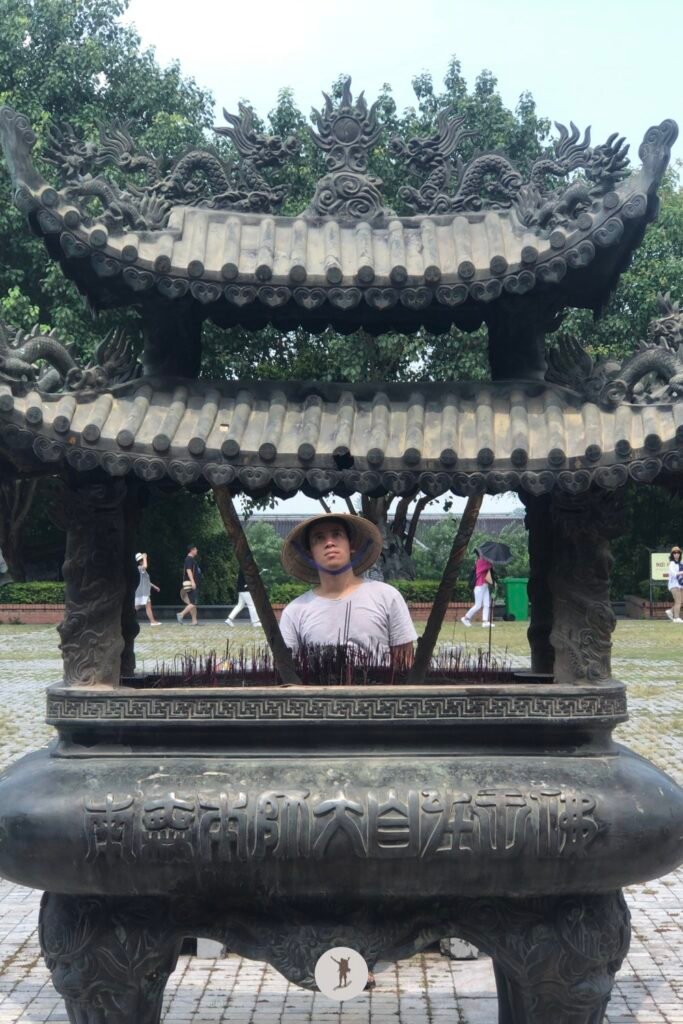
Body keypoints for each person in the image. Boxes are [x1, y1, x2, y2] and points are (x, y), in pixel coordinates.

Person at [278, 513, 416, 669]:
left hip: (378, 691)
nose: (329, 543)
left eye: (337, 535)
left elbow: (405, 666)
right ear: (310, 552)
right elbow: (289, 673)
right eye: (319, 538)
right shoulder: (295, 612)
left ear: (351, 546)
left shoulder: (387, 597)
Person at [461, 548, 495, 628]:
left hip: (485, 585)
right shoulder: (480, 562)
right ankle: (465, 618)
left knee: (487, 604)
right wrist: (493, 562)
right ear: (480, 555)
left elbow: (490, 569)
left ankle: (485, 622)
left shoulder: (484, 561)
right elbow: (490, 565)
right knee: (478, 605)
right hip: (479, 586)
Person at [177, 544, 201, 625]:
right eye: (196, 549)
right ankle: (181, 614)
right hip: (191, 583)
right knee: (193, 603)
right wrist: (193, 581)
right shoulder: (189, 559)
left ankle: (194, 621)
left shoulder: (191, 559)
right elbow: (188, 570)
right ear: (192, 550)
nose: (197, 551)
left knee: (192, 602)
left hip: (191, 583)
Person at [134, 553, 161, 626]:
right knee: (147, 606)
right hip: (143, 592)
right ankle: (152, 621)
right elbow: (145, 566)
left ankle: (125, 618)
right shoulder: (140, 568)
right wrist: (145, 557)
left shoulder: (141, 569)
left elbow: (147, 581)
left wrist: (155, 587)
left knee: (136, 607)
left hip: (143, 591)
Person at [665, 546, 683, 622]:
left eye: (678, 553)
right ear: (672, 555)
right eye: (674, 553)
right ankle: (676, 618)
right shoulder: (672, 563)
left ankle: (671, 611)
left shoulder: (681, 564)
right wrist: (682, 573)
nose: (676, 554)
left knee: (680, 601)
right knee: (678, 601)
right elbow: (673, 574)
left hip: (680, 585)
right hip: (674, 585)